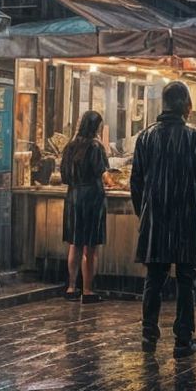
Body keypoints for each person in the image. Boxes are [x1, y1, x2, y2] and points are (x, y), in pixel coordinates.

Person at [132, 81, 196, 356]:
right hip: (187, 220)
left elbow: (136, 183)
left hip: (155, 220)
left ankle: (148, 335)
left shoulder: (145, 137)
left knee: (154, 278)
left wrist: (145, 213)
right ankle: (183, 339)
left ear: (163, 105)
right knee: (186, 280)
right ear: (187, 107)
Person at [60, 110, 109, 301]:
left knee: (75, 243)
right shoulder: (96, 147)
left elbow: (64, 176)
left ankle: (71, 288)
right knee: (90, 246)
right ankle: (88, 290)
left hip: (73, 196)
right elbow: (103, 173)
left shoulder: (70, 147)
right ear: (96, 127)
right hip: (92, 198)